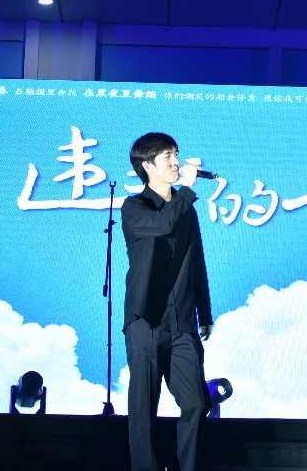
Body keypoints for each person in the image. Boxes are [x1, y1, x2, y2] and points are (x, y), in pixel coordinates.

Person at [122, 132, 214, 471]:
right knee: (143, 407)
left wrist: (204, 311)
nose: (177, 163)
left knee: (196, 401)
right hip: (146, 320)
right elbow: (162, 224)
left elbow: (196, 260)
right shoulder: (135, 207)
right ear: (147, 166)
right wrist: (187, 190)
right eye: (168, 157)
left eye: (176, 154)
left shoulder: (185, 209)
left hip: (182, 322)